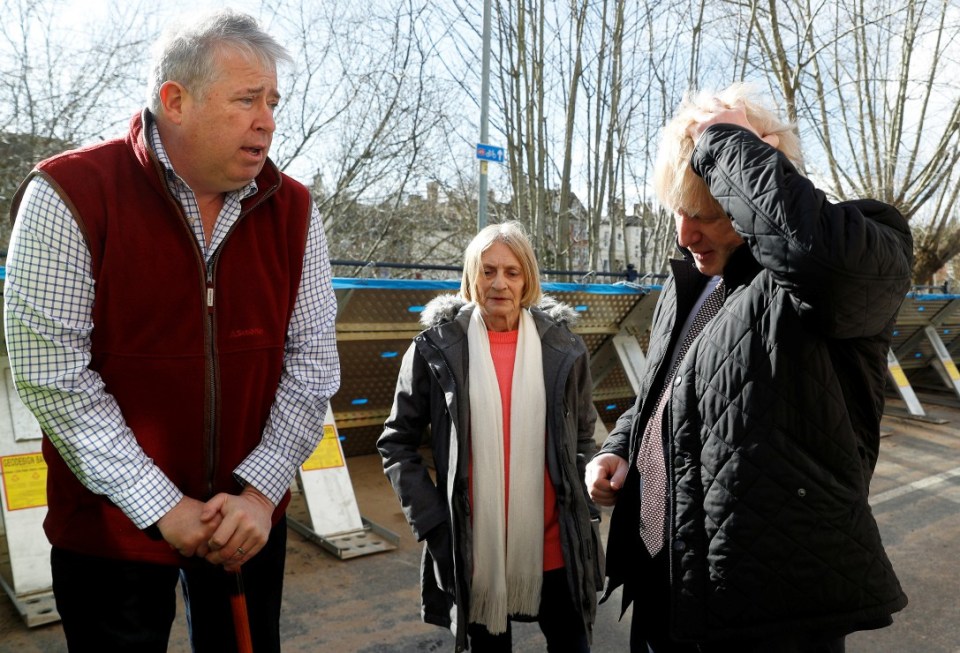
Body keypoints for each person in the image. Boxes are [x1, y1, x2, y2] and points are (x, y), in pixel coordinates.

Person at [3, 9, 340, 652]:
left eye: (272, 100)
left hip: (247, 524)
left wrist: (259, 492)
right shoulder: (70, 192)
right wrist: (163, 506)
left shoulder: (295, 211)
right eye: (246, 99)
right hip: (110, 532)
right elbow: (52, 374)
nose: (267, 119)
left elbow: (313, 363)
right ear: (174, 100)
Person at [585, 83, 911, 652]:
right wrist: (618, 446)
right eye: (680, 213)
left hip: (766, 607)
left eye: (707, 214)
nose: (686, 236)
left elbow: (820, 261)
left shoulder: (851, 250)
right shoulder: (695, 284)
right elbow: (669, 391)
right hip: (671, 584)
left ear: (752, 178)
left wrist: (722, 140)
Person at [378, 221, 604, 652]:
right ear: (471, 276)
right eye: (487, 271)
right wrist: (434, 523)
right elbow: (397, 442)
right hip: (473, 545)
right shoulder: (435, 349)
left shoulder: (564, 349)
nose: (499, 283)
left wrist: (585, 509)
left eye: (512, 272)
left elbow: (582, 439)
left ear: (528, 279)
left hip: (557, 544)